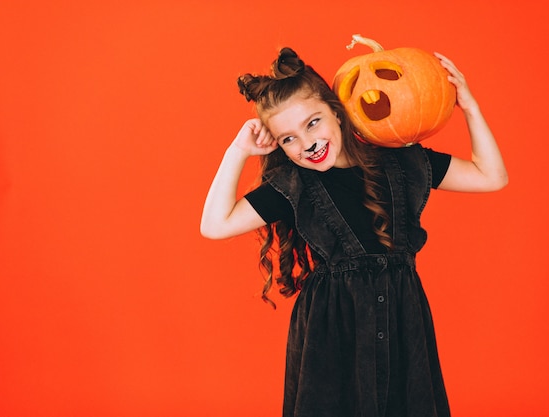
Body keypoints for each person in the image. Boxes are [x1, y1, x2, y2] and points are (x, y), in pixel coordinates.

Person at [200, 47, 507, 417]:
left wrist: (470, 107)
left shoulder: (403, 161)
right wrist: (237, 150)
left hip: (402, 322)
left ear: (337, 110)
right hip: (330, 333)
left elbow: (492, 176)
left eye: (313, 122)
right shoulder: (293, 184)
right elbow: (214, 225)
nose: (307, 143)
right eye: (288, 139)